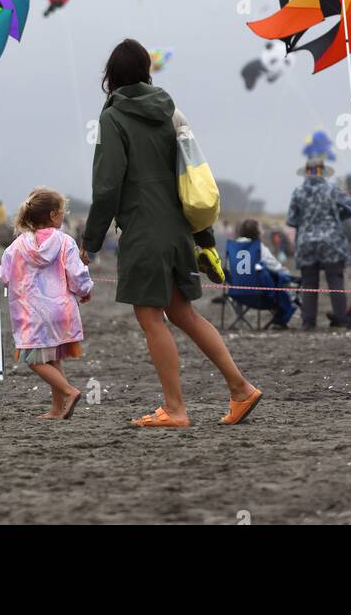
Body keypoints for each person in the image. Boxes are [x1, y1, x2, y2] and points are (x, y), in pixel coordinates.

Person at [81, 38, 261, 428]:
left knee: (150, 317)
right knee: (184, 313)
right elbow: (191, 180)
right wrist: (204, 238)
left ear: (111, 76)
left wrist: (90, 242)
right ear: (147, 71)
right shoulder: (171, 112)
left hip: (144, 231)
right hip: (178, 228)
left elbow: (107, 187)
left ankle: (175, 409)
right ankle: (241, 388)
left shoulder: (112, 118)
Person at [0, 187, 92, 421]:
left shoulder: (18, 246)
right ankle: (57, 408)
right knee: (51, 358)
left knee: (31, 359)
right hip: (61, 311)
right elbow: (77, 275)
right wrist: (85, 291)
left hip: (32, 314)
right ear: (52, 215)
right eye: (62, 211)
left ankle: (69, 391)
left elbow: (3, 276)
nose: (64, 215)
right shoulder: (66, 242)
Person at [287, 153, 351, 329]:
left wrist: (306, 222)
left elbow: (291, 220)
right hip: (331, 241)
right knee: (335, 280)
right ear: (323, 172)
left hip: (306, 242)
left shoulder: (298, 192)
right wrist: (337, 216)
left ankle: (308, 321)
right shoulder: (332, 189)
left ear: (306, 172)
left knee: (309, 283)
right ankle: (341, 319)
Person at [233, 218, 295, 329]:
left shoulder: (233, 246)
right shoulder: (258, 247)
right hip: (258, 295)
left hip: (236, 293)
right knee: (280, 279)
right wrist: (287, 275)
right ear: (257, 232)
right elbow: (275, 266)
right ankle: (281, 318)